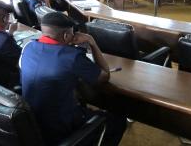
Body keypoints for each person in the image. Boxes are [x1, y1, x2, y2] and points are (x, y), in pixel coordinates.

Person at [20, 12, 126, 145]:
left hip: (31, 124)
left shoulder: (28, 47)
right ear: (65, 35)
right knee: (118, 120)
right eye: (72, 33)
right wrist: (91, 41)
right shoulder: (72, 57)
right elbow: (105, 75)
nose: (74, 35)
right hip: (60, 128)